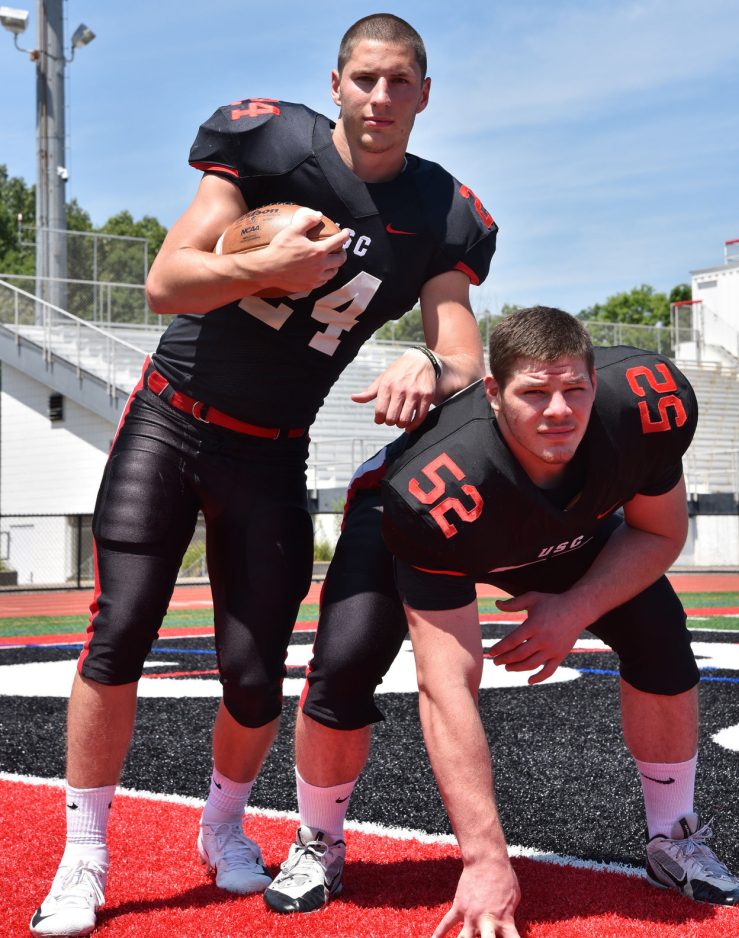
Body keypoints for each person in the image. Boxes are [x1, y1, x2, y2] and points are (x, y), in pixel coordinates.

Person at [30, 13, 497, 936]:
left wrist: (425, 364)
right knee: (118, 634)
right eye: (364, 78)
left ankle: (223, 827)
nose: (380, 97)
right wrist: (267, 267)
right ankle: (83, 854)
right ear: (335, 83)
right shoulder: (273, 146)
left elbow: (462, 356)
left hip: (273, 447)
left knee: (253, 675)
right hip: (171, 418)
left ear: (425, 94)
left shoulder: (442, 209)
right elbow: (167, 281)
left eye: (399, 81)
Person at [265, 306, 739, 935]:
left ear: (595, 382)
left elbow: (659, 533)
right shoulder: (437, 483)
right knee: (346, 662)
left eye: (574, 388)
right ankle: (318, 840)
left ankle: (673, 838)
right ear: (493, 392)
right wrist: (485, 860)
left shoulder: (648, 403)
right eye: (534, 393)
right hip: (438, 516)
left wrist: (573, 608)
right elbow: (446, 685)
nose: (559, 411)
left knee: (659, 633)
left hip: (559, 526)